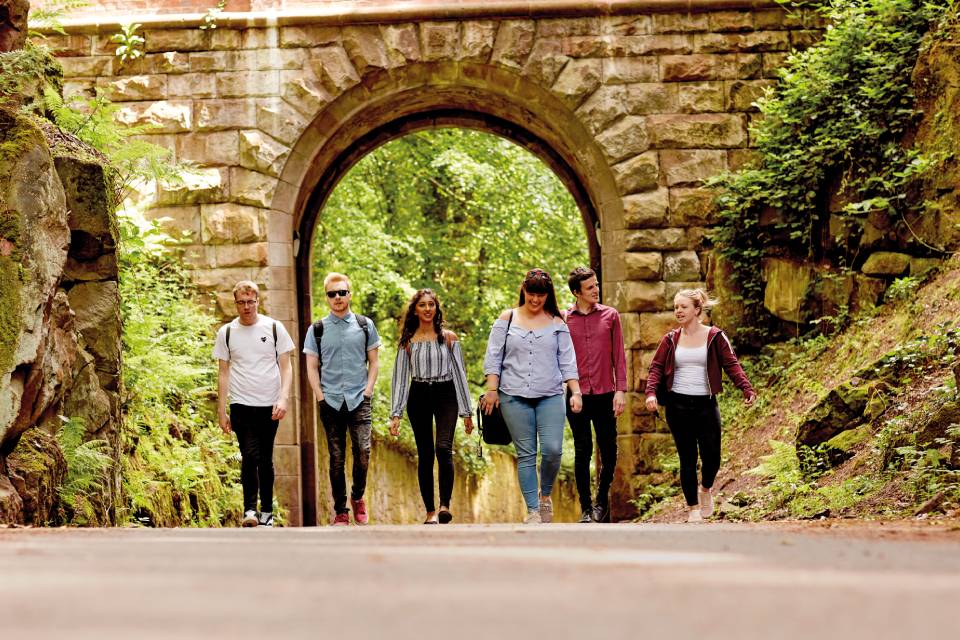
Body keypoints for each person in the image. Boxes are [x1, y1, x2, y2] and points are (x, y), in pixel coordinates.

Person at [644, 289, 756, 523]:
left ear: (697, 310)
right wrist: (651, 393)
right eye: (675, 307)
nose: (678, 311)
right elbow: (656, 368)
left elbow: (731, 364)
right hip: (677, 405)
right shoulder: (671, 339)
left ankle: (705, 489)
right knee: (687, 458)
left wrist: (746, 388)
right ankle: (692, 508)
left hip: (706, 404)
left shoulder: (715, 336)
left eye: (683, 307)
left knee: (712, 455)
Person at [482, 268, 581, 525]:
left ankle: (545, 495)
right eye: (531, 293)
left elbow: (567, 361)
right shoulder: (507, 318)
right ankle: (534, 511)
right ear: (523, 291)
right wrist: (492, 390)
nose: (535, 300)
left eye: (541, 295)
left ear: (548, 295)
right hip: (513, 395)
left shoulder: (558, 323)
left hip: (550, 394)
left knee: (552, 450)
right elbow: (493, 356)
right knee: (526, 454)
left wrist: (576, 391)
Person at [388, 289, 474, 524]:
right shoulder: (407, 342)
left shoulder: (449, 338)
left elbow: (460, 375)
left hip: (446, 394)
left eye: (431, 305)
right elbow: (400, 379)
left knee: (443, 448)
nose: (427, 309)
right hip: (418, 395)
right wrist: (395, 415)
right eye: (422, 305)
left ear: (436, 309)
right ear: (415, 310)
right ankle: (430, 512)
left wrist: (466, 412)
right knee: (425, 454)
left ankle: (444, 505)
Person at [214, 280, 295, 528]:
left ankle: (267, 512)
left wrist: (283, 397)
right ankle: (250, 510)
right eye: (241, 302)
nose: (246, 306)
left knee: (265, 459)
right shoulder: (226, 332)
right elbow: (223, 373)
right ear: (235, 303)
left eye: (251, 301)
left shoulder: (274, 328)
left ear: (258, 301)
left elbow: (286, 365)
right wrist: (221, 410)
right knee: (249, 455)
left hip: (269, 404)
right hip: (241, 403)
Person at [304, 273, 381, 526]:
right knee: (336, 458)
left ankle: (358, 496)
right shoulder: (317, 329)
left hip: (360, 398)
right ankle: (341, 511)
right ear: (327, 297)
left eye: (341, 292)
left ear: (349, 294)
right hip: (331, 400)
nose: (337, 297)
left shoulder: (364, 325)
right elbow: (312, 367)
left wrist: (368, 390)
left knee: (363, 452)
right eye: (331, 294)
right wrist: (320, 396)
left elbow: (374, 361)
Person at [564, 267, 627, 523]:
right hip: (575, 395)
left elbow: (619, 357)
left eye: (596, 285)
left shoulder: (611, 316)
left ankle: (602, 500)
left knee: (609, 450)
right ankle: (586, 508)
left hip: (605, 393)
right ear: (577, 292)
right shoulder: (564, 319)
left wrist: (620, 390)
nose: (596, 290)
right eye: (590, 287)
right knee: (583, 450)